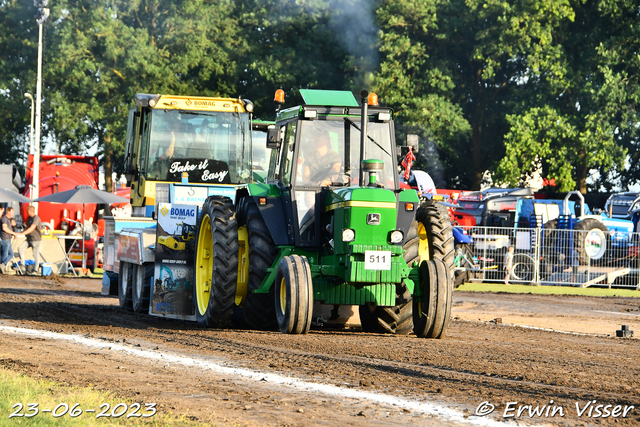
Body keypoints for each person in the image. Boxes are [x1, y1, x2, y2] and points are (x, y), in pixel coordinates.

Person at [18, 205, 42, 275]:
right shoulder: (29, 218)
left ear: (31, 211)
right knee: (20, 248)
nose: (26, 212)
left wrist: (22, 234)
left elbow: (32, 228)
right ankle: (22, 265)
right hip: (29, 239)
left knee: (35, 254)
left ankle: (35, 269)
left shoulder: (36, 218)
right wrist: (20, 232)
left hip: (35, 240)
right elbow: (27, 228)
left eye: (27, 211)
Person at [0, 207, 19, 273]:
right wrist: (14, 233)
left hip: (8, 239)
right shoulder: (4, 219)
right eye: (12, 212)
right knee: (4, 255)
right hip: (5, 239)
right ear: (8, 212)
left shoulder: (8, 219)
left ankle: (3, 265)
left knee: (11, 254)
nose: (13, 214)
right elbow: (5, 228)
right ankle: (2, 267)